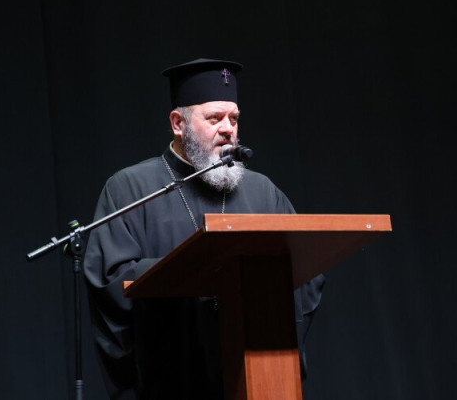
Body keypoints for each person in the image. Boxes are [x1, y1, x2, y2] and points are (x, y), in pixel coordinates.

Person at [83, 58, 325, 400]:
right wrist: (195, 277)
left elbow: (305, 277)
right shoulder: (130, 189)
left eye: (234, 119)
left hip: (253, 378)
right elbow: (111, 282)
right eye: (214, 118)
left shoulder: (263, 192)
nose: (228, 129)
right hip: (171, 379)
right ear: (178, 123)